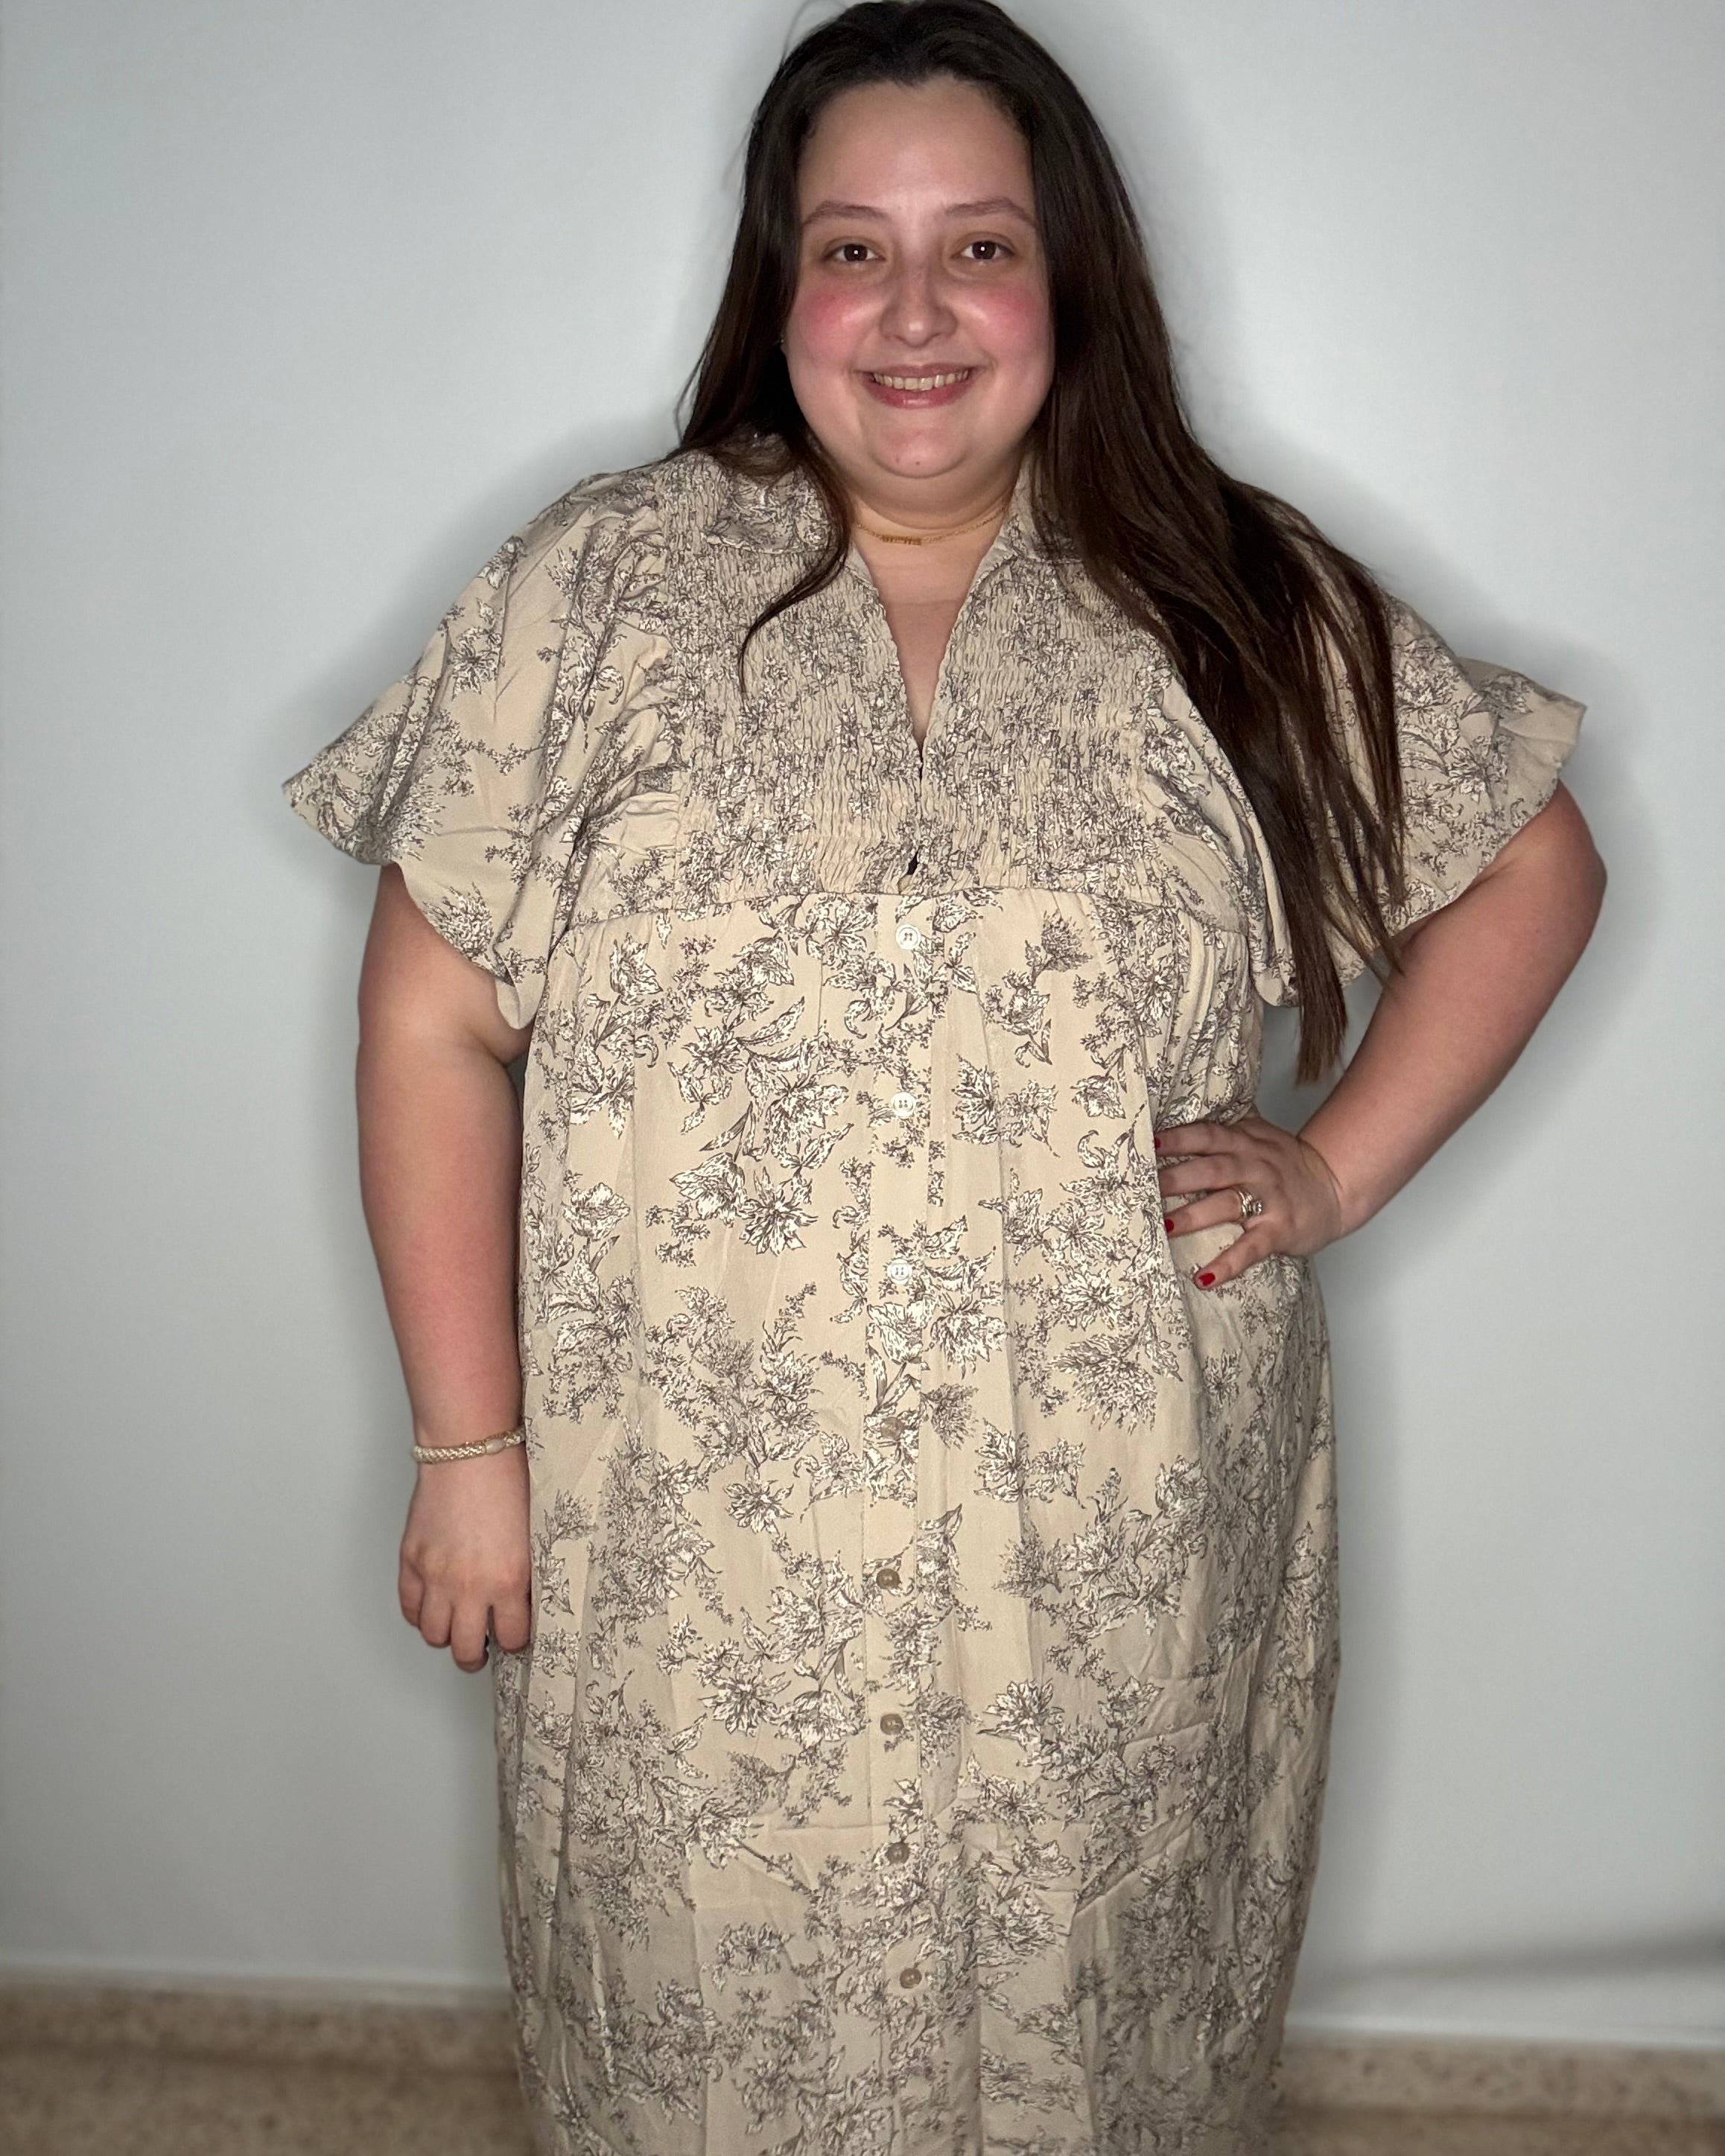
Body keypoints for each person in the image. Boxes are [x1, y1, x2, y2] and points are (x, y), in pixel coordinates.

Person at [284, 2, 1605, 2149]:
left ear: (1066, 276)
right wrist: (466, 1447)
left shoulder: (1227, 596)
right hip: (691, 1568)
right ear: (779, 284)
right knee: (712, 2056)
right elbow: (432, 1024)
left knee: (1103, 2044)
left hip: (1120, 1546)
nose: (915, 313)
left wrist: (1332, 1173)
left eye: (979, 247)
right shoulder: (597, 590)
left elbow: (1529, 861)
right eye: (852, 250)